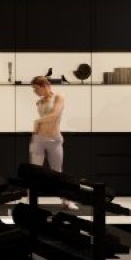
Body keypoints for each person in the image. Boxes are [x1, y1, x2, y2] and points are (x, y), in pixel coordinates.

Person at [29, 75, 78, 211]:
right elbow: (42, 122)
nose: (35, 92)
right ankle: (31, 202)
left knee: (57, 172)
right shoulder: (39, 103)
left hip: (54, 139)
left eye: (36, 88)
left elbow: (55, 115)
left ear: (44, 86)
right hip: (38, 139)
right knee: (34, 172)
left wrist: (37, 121)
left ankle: (66, 201)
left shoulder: (58, 98)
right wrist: (34, 135)